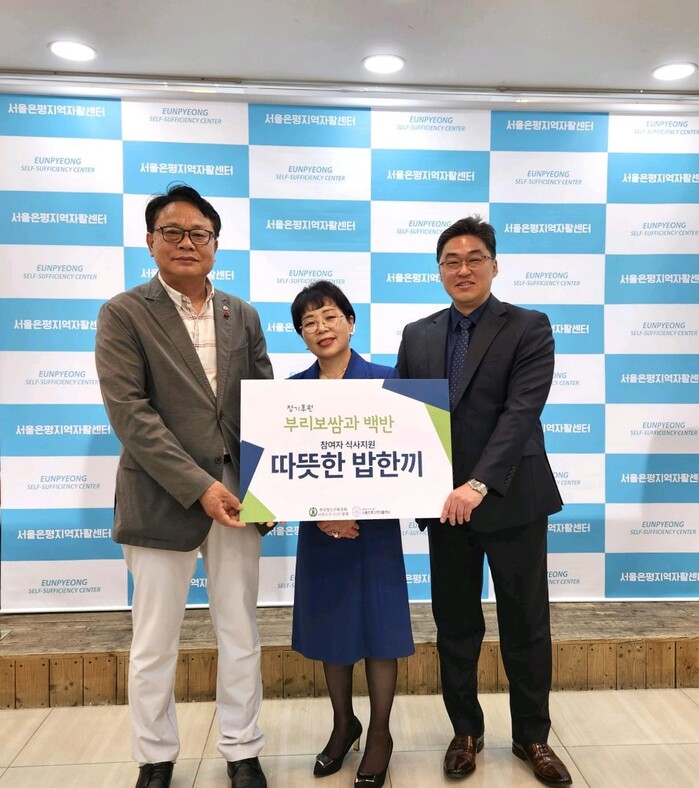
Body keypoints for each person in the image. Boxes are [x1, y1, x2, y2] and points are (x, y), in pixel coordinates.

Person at [95, 184, 272, 788]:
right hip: (160, 496)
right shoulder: (123, 312)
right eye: (172, 232)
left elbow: (262, 408)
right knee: (154, 641)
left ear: (216, 244)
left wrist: (270, 488)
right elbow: (131, 414)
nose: (186, 242)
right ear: (151, 241)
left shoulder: (241, 314)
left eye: (199, 233)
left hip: (238, 499)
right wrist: (199, 486)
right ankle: (154, 759)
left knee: (240, 631)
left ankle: (242, 749)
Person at [396, 217, 573, 786]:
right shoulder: (417, 334)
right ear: (439, 270)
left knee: (526, 624)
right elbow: (404, 419)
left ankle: (532, 737)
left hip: (511, 500)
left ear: (494, 266)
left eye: (475, 258)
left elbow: (521, 415)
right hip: (445, 507)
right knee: (455, 626)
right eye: (451, 260)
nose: (463, 268)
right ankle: (465, 733)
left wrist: (476, 485)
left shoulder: (528, 326)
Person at [289, 280, 414, 788]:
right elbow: (282, 471)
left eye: (330, 317)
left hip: (375, 531)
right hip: (321, 534)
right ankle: (344, 725)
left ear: (350, 322)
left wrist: (362, 506)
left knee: (380, 631)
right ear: (301, 335)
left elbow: (411, 459)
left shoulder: (389, 381)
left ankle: (380, 734)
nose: (321, 328)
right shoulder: (291, 392)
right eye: (309, 322)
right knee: (332, 632)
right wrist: (321, 513)